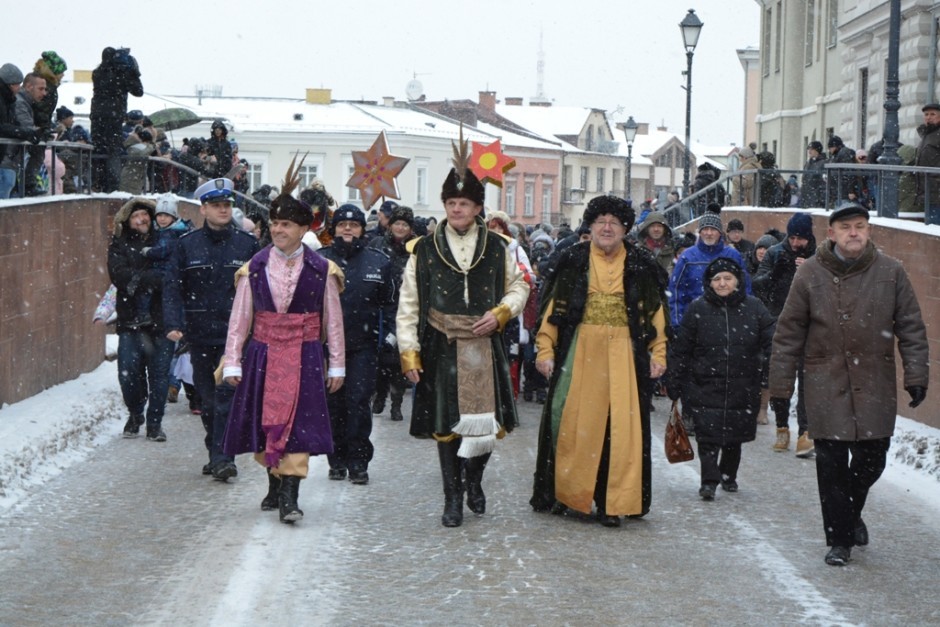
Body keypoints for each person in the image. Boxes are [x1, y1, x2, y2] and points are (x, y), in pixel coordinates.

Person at [769, 202, 928, 566]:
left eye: (860, 226)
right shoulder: (809, 273)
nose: (854, 233)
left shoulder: (891, 272)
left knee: (873, 460)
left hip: (875, 380)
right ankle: (839, 539)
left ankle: (850, 512)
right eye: (846, 227)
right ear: (832, 234)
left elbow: (911, 328)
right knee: (831, 464)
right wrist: (781, 386)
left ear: (869, 230)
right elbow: (789, 333)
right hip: (825, 381)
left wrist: (916, 375)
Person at [396, 136, 529, 528]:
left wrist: (502, 312)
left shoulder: (498, 246)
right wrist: (409, 352)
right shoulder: (423, 249)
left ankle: (475, 480)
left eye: (464, 204)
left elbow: (519, 286)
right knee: (447, 427)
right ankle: (451, 498)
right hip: (441, 345)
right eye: (451, 204)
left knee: (485, 425)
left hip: (484, 345)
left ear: (476, 208)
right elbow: (409, 303)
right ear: (446, 206)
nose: (457, 209)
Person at [530, 195, 668, 527]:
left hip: (626, 351)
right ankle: (573, 495)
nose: (607, 228)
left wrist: (659, 352)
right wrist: (545, 350)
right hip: (580, 352)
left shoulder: (640, 263)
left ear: (624, 229)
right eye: (600, 222)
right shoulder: (572, 260)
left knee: (619, 430)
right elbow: (552, 311)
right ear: (590, 226)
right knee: (575, 426)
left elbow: (655, 314)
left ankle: (612, 501)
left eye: (614, 223)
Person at [221, 160, 346, 524]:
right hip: (263, 352)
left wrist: (336, 363)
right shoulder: (253, 268)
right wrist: (232, 360)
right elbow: (239, 320)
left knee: (299, 426)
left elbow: (333, 322)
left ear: (304, 228)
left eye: (286, 224)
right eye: (274, 223)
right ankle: (274, 484)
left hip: (305, 354)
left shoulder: (323, 270)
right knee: (266, 422)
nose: (278, 230)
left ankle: (290, 496)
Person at [164, 177, 260, 481]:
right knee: (206, 399)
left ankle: (223, 457)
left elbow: (260, 289)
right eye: (217, 205)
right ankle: (215, 450)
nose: (223, 210)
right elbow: (172, 287)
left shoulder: (247, 245)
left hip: (235, 334)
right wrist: (173, 322)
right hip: (200, 332)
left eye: (227, 205)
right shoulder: (186, 244)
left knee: (226, 395)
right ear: (203, 209)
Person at [667, 257, 775, 500]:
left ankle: (729, 474)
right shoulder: (698, 308)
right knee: (707, 435)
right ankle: (708, 481)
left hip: (743, 382)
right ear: (709, 282)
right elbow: (681, 347)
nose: (723, 283)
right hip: (705, 382)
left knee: (733, 437)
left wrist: (767, 366)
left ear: (737, 281)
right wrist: (674, 377)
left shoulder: (754, 307)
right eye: (717, 279)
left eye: (728, 278)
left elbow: (771, 339)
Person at [318, 204, 394, 485]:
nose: (347, 229)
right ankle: (336, 459)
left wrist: (390, 337)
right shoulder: (320, 260)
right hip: (326, 347)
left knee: (358, 403)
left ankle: (359, 461)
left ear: (363, 229)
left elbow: (390, 304)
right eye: (341, 225)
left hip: (363, 345)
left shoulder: (378, 262)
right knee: (332, 404)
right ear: (333, 229)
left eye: (354, 225)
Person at [107, 197, 174, 442]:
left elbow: (171, 277)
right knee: (128, 374)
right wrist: (150, 279)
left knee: (159, 376)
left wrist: (140, 280)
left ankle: (155, 424)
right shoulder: (119, 243)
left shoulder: (166, 240)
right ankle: (136, 413)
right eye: (135, 216)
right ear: (128, 221)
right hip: (130, 320)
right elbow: (119, 275)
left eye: (145, 215)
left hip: (161, 320)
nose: (141, 219)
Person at [753, 212, 817, 456]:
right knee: (780, 380)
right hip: (779, 324)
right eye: (792, 237)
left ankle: (805, 433)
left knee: (808, 382)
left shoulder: (818, 255)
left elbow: (829, 291)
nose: (795, 243)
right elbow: (757, 286)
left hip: (810, 327)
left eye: (800, 238)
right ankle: (782, 427)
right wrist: (776, 274)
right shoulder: (775, 252)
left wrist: (811, 270)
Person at [369, 205, 417, 422]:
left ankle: (396, 404)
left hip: (406, 309)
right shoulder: (378, 244)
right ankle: (379, 394)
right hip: (382, 308)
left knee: (400, 360)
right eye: (397, 223)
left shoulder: (416, 248)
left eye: (405, 224)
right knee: (381, 358)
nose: (400, 227)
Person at [668, 207, 751, 327]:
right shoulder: (687, 257)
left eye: (713, 229)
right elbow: (676, 292)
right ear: (700, 232)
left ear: (720, 232)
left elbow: (745, 288)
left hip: (728, 321)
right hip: (695, 322)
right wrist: (678, 323)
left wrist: (744, 320)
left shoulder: (733, 255)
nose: (709, 233)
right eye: (705, 229)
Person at [90, 47, 143, 193]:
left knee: (98, 151)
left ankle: (96, 184)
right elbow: (138, 91)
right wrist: (134, 71)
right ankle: (112, 187)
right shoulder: (122, 74)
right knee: (113, 152)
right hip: (114, 118)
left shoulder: (97, 73)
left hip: (97, 117)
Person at [0, 63, 41, 199]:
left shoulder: (9, 100)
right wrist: (25, 132)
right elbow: (3, 126)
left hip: (6, 155)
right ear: (10, 84)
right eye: (18, 84)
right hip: (5, 155)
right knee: (6, 184)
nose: (19, 88)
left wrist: (26, 132)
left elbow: (11, 123)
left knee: (8, 184)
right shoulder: (7, 100)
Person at [915, 103, 940, 223]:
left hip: (936, 190)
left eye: (933, 114)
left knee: (934, 228)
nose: (929, 117)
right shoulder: (927, 135)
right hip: (928, 190)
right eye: (926, 114)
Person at [826, 135, 858, 205]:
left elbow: (850, 172)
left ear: (834, 146)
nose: (829, 150)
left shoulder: (843, 154)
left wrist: (851, 190)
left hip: (843, 192)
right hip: (840, 191)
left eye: (830, 147)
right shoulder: (840, 154)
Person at [801, 141, 827, 209]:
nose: (809, 151)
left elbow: (824, 183)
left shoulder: (823, 163)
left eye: (811, 149)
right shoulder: (808, 163)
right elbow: (804, 180)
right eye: (808, 149)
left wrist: (821, 199)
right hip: (806, 199)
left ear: (817, 150)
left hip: (816, 200)